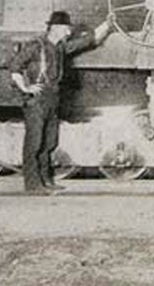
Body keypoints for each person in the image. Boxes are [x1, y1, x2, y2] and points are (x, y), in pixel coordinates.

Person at [8, 11, 115, 194]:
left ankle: (46, 181)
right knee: (34, 143)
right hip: (37, 100)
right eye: (66, 29)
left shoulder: (59, 48)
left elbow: (88, 41)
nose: (69, 32)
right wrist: (25, 88)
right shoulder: (36, 46)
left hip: (52, 98)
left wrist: (107, 24)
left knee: (49, 142)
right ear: (56, 28)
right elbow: (14, 66)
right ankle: (32, 185)